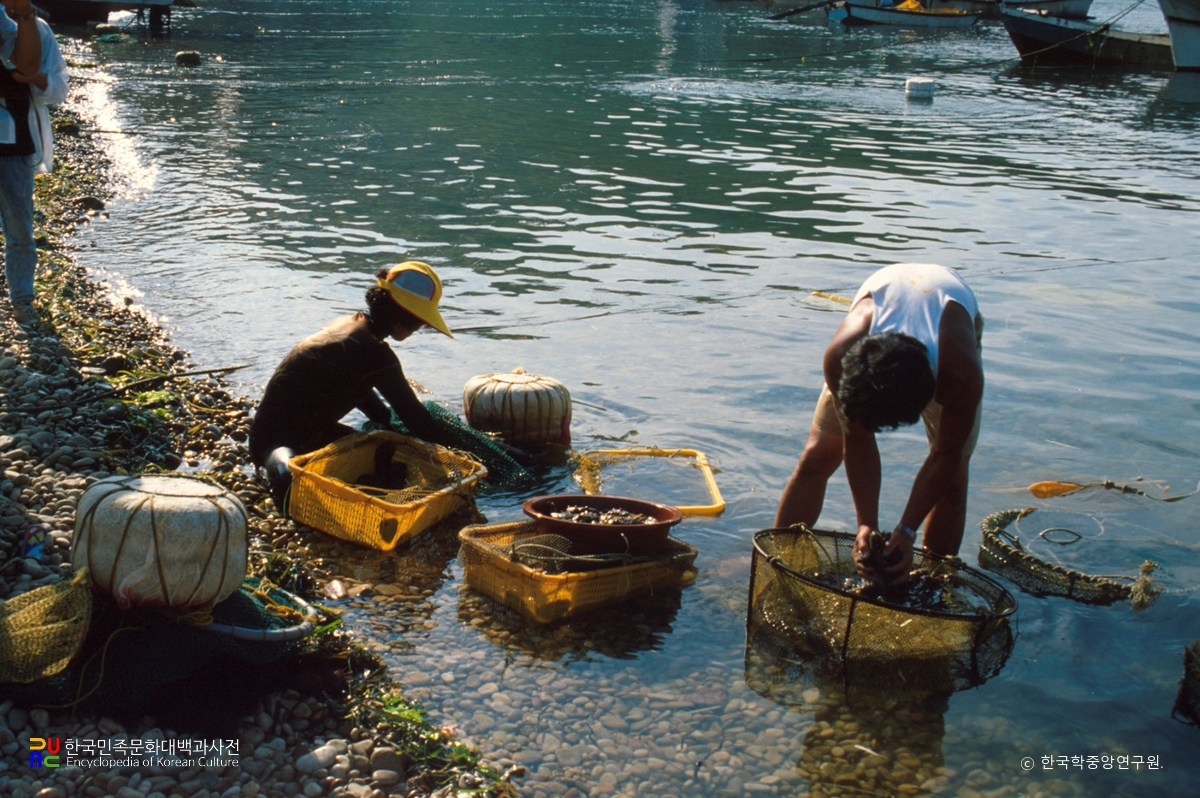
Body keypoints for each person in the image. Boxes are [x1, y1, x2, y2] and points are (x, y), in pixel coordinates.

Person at [775, 263, 984, 587]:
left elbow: (945, 455)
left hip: (947, 312)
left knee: (953, 478)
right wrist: (866, 525)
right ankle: (781, 563)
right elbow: (857, 438)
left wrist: (906, 530)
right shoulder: (842, 356)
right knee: (819, 454)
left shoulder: (960, 373)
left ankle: (931, 583)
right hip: (877, 329)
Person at [249, 261, 458, 510]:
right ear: (402, 317)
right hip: (276, 442)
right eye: (419, 322)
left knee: (382, 451)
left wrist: (386, 421)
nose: (420, 328)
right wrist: (455, 451)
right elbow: (415, 417)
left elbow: (357, 389)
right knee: (291, 475)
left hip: (310, 430)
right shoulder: (377, 354)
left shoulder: (350, 323)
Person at [0, 2, 67, 327]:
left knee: (19, 228)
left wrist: (38, 77)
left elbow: (60, 89)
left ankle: (22, 300)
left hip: (16, 144)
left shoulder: (37, 29)